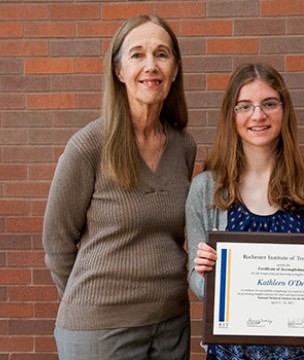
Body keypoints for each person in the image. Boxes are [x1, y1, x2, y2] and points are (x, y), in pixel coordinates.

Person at [42, 15, 196, 360]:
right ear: (119, 71)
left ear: (174, 69)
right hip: (100, 332)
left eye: (162, 54)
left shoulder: (183, 146)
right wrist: (96, 302)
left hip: (172, 325)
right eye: (137, 54)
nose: (151, 65)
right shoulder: (88, 146)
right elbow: (56, 243)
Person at [186, 63, 304, 360]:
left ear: (284, 109)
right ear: (231, 115)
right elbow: (197, 285)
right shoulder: (205, 189)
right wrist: (205, 272)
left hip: (302, 355)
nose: (258, 115)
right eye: (244, 106)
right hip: (230, 355)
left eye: (269, 103)